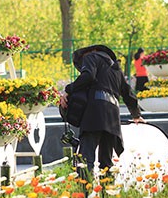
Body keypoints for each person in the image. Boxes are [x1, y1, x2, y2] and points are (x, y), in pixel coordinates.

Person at [60, 45, 145, 174]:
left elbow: (88, 76)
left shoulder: (91, 57)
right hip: (112, 119)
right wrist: (136, 115)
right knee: (106, 163)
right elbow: (127, 93)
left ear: (91, 51)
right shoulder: (116, 69)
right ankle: (108, 192)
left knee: (85, 160)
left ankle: (84, 192)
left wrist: (68, 89)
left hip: (94, 114)